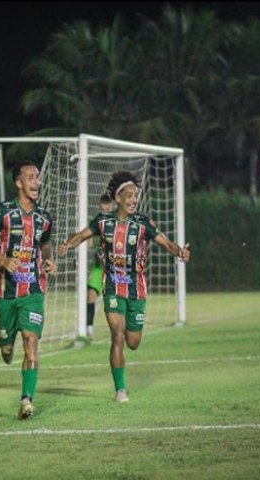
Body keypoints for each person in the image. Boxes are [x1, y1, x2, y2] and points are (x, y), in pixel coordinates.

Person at [58, 171, 190, 403]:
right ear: (117, 198)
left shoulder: (142, 223)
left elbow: (166, 243)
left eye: (135, 196)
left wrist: (180, 252)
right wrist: (67, 245)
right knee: (117, 335)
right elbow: (81, 235)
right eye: (128, 195)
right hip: (112, 286)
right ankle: (120, 390)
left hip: (137, 289)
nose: (133, 200)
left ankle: (122, 377)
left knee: (133, 342)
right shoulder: (103, 221)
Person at [0, 160, 57, 420]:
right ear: (18, 183)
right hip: (5, 291)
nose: (36, 182)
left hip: (33, 290)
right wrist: (3, 261)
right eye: (30, 178)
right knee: (6, 351)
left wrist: (48, 259)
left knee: (31, 341)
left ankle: (26, 399)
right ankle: (5, 341)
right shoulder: (2, 212)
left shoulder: (44, 218)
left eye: (37, 177)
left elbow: (45, 243)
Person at [85, 193, 113, 340]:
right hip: (98, 267)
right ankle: (88, 328)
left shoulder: (117, 220)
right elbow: (89, 241)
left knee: (115, 299)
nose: (105, 205)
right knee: (91, 295)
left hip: (115, 266)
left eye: (107, 203)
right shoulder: (96, 221)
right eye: (103, 203)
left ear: (112, 205)